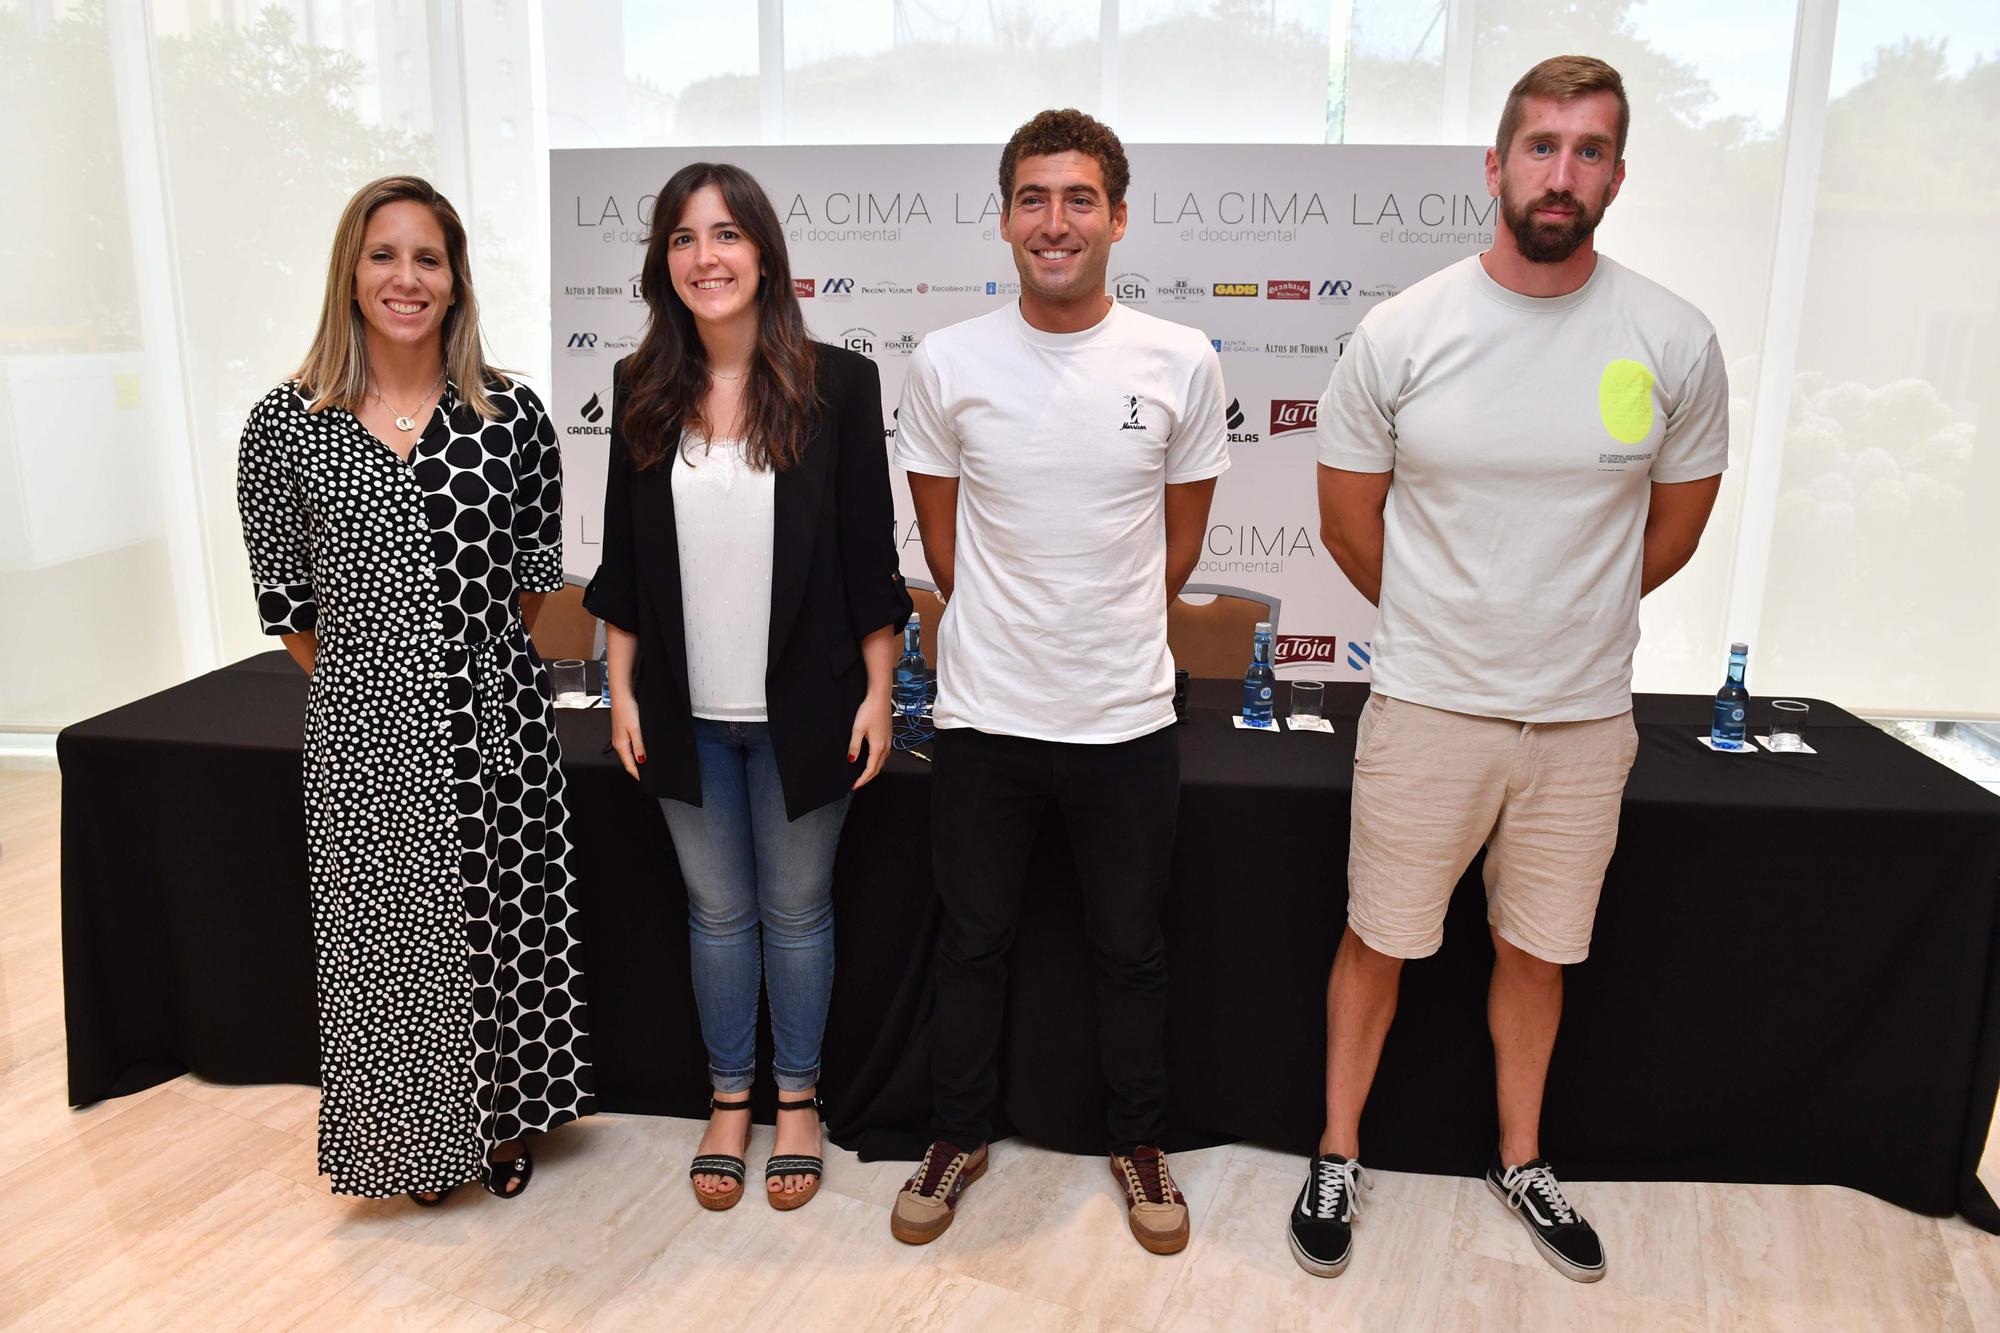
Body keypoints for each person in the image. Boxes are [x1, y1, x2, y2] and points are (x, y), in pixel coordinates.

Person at [1289, 55, 1729, 1281]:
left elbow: (1676, 526)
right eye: (1539, 146)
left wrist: (1562, 617)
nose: (1560, 171)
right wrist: (1453, 623)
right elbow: (1343, 522)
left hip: (1583, 720)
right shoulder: (1403, 331)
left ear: (1617, 176)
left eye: (1588, 150)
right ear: (1494, 165)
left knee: (1536, 950)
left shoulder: (1672, 337)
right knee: (1376, 936)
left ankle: (1520, 1157)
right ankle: (1336, 1149)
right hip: (1428, 705)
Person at [888, 109, 1229, 1255]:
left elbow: (1175, 551)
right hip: (985, 714)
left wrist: (1099, 621)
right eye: (1033, 198)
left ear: (1117, 217)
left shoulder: (1179, 358)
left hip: (1125, 715)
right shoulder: (947, 361)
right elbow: (943, 552)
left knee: (1128, 949)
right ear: (1003, 219)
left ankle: (1139, 1141)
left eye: (1078, 198)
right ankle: (957, 1133)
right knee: (970, 944)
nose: (1054, 221)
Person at [237, 175, 594, 1205]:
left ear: (455, 279)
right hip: (361, 724)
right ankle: (409, 1147)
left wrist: (466, 670)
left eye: (427, 258)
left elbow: (532, 582)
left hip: (498, 711)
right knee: (385, 947)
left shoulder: (512, 414)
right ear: (351, 273)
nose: (406, 277)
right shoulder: (286, 426)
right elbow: (289, 605)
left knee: (499, 921)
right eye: (385, 254)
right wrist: (380, 680)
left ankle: (496, 1127)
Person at [585, 162, 909, 1213]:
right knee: (717, 914)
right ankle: (731, 1100)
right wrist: (620, 690)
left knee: (796, 909)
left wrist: (877, 693)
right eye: (682, 239)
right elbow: (623, 572)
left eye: (724, 234)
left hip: (805, 710)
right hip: (681, 710)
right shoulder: (643, 388)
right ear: (662, 262)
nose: (704, 257)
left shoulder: (837, 385)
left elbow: (870, 562)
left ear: (763, 252)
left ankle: (799, 1101)